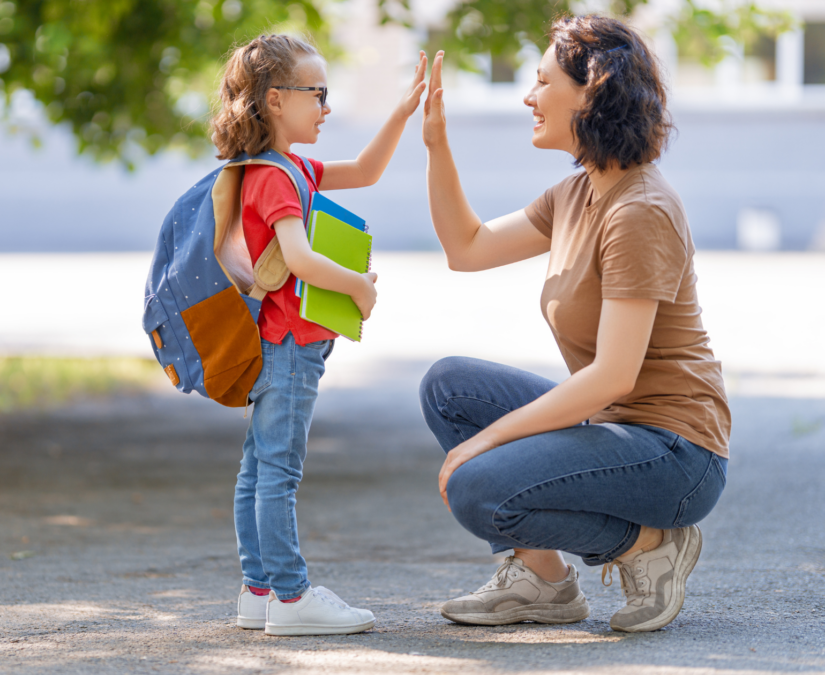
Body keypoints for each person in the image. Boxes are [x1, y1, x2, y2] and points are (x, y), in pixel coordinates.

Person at [418, 15, 730, 633]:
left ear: (592, 91)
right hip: (618, 428)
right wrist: (436, 144)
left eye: (541, 81)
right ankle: (544, 581)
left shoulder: (640, 210)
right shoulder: (576, 194)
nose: (528, 97)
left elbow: (612, 375)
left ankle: (649, 544)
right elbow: (468, 247)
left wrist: (486, 441)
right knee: (449, 386)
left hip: (675, 453)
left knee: (479, 487)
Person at [210, 34, 427, 636]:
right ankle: (291, 595)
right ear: (276, 100)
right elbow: (299, 259)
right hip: (287, 346)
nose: (326, 107)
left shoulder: (283, 168)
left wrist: (403, 111)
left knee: (257, 469)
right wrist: (359, 286)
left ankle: (259, 591)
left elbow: (365, 170)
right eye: (318, 94)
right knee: (277, 471)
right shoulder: (277, 178)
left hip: (271, 345)